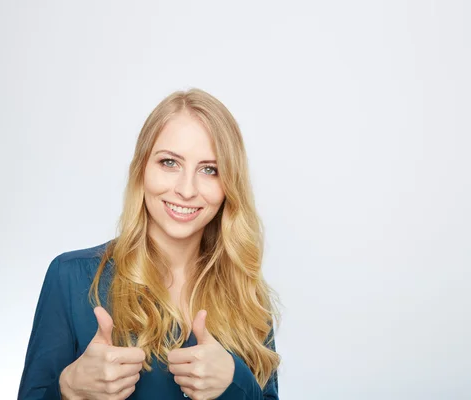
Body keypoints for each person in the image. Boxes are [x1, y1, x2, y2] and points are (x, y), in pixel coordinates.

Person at [18, 88, 281, 400]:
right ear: (142, 168)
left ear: (229, 186)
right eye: (169, 162)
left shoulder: (245, 290)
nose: (186, 189)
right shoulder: (71, 277)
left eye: (210, 169)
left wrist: (236, 381)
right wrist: (69, 388)